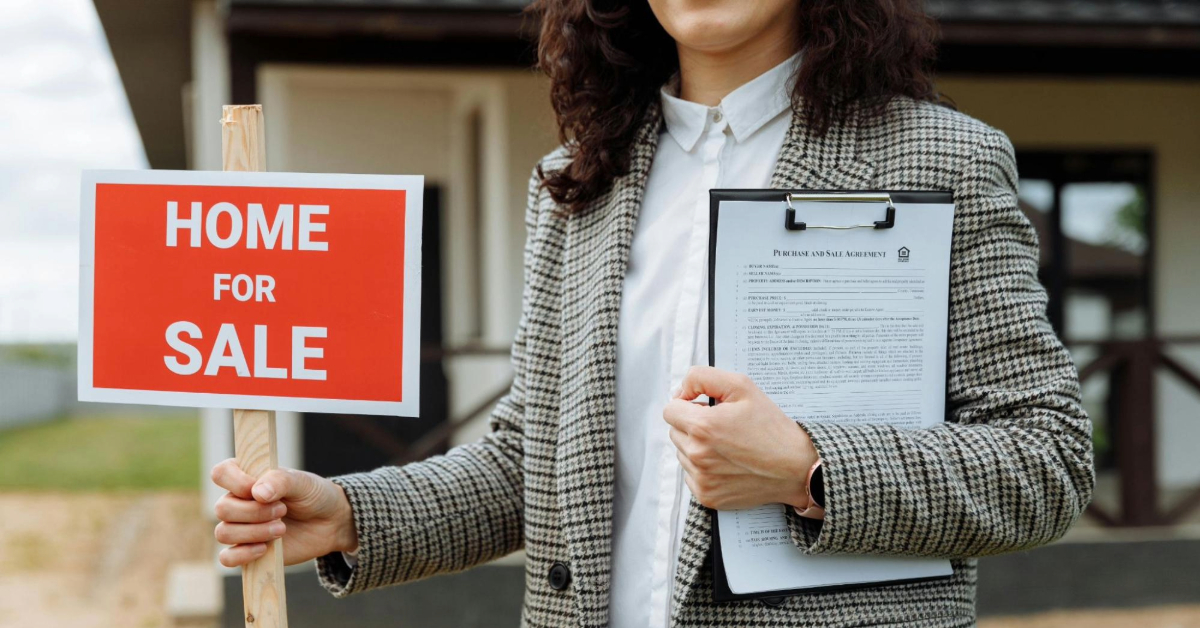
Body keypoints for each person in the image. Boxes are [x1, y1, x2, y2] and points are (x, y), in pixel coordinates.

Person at [210, 0, 1095, 626]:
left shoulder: (941, 157)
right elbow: (539, 460)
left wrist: (809, 468)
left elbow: (1046, 458)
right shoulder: (575, 184)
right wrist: (352, 513)